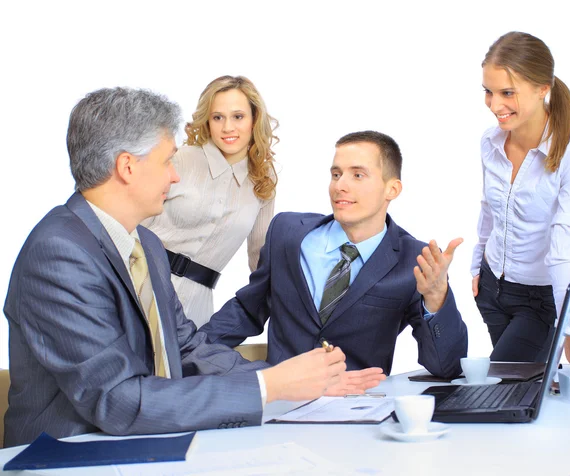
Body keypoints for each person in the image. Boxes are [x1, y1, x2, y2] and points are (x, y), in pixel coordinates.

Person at [2, 88, 384, 448]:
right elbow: (117, 401)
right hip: (68, 454)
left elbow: (187, 346)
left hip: (144, 442)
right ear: (127, 167)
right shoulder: (58, 254)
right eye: (168, 160)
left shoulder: (146, 244)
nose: (175, 175)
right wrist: (271, 385)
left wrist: (301, 380)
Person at [201, 131, 468, 377]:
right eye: (336, 174)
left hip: (359, 408)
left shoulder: (414, 260)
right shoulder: (287, 233)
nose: (340, 186)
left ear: (392, 189)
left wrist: (436, 298)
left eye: (358, 175)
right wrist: (185, 354)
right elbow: (248, 310)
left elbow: (447, 367)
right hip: (281, 402)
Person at [471, 31, 570, 362]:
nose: (495, 105)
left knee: (507, 388)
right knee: (519, 395)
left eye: (507, 93)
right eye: (489, 91)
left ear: (543, 88)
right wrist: (476, 265)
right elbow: (489, 209)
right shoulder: (491, 142)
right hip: (491, 290)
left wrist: (569, 327)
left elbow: (566, 244)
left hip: (540, 300)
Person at [143, 75, 278, 327]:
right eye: (218, 117)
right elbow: (132, 225)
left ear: (254, 119)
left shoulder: (263, 181)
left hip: (197, 309)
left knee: (179, 367)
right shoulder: (180, 160)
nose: (228, 127)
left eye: (238, 116)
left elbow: (259, 259)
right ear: (207, 120)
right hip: (140, 286)